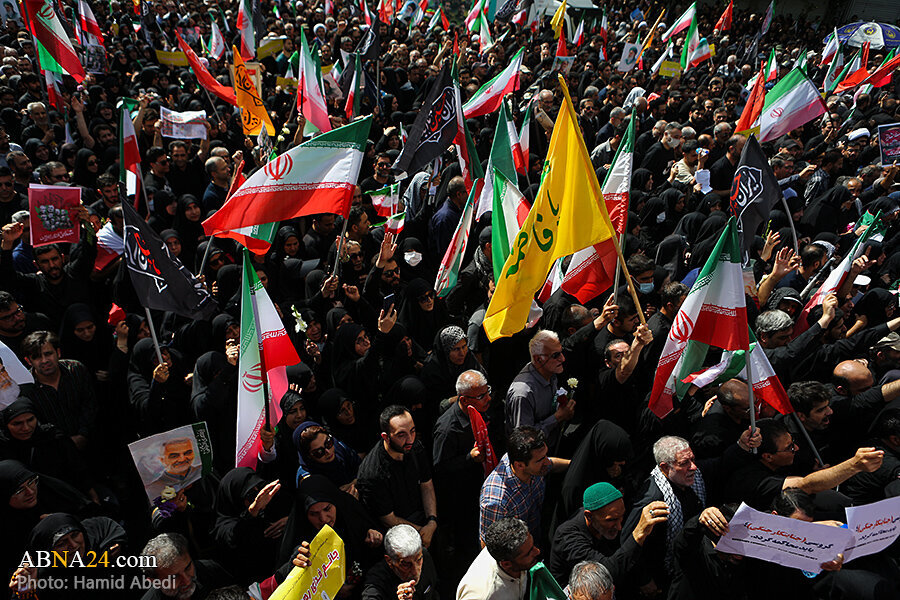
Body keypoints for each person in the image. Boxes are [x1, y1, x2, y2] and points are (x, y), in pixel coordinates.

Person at [357, 406, 438, 546]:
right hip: (399, 534)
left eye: (412, 431)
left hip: (422, 517)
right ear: (386, 437)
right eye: (401, 435)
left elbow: (426, 484)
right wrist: (422, 532)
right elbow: (388, 519)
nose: (410, 439)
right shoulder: (372, 473)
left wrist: (432, 521)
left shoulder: (414, 447)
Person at [479, 426, 569, 544]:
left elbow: (552, 464)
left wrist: (575, 464)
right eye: (541, 460)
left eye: (545, 456)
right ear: (520, 465)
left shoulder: (532, 465)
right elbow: (489, 545)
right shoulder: (497, 501)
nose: (547, 462)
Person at [505, 330, 575, 442]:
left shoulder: (550, 373)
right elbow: (525, 440)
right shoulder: (523, 393)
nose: (562, 359)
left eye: (561, 352)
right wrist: (557, 417)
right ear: (538, 359)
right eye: (555, 355)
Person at [456, 518, 539, 600]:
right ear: (506, 564)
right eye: (528, 554)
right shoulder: (483, 595)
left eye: (533, 546)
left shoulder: (512, 554)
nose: (537, 552)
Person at [361, 524, 439, 600]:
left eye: (418, 560)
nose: (415, 571)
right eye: (406, 564)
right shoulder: (376, 582)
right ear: (389, 561)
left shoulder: (425, 556)